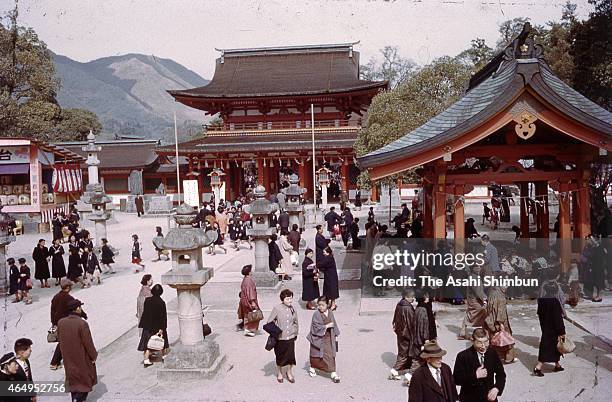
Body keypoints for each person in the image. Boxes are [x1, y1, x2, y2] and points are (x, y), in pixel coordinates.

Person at [58, 299, 98, 402]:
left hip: (68, 357)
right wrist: (93, 356)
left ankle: (74, 398)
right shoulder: (82, 324)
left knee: (73, 381)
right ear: (77, 308)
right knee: (84, 381)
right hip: (81, 356)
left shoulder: (61, 322)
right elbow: (88, 343)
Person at [453, 328, 506, 402]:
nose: (483, 346)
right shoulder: (463, 356)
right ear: (472, 340)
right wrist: (475, 375)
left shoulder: (492, 353)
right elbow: (457, 379)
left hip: (489, 398)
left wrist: (496, 388)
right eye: (479, 342)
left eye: (486, 341)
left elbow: (501, 374)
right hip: (469, 398)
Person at [534, 281, 566, 376]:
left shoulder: (541, 301)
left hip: (545, 327)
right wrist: (562, 331)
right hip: (554, 330)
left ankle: (557, 365)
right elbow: (558, 319)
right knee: (549, 348)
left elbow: (539, 314)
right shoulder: (554, 301)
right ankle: (538, 367)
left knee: (554, 348)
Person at [267, 289, 299, 383]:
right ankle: (280, 372)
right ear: (282, 299)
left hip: (290, 337)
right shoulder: (277, 308)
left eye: (291, 299)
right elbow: (269, 322)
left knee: (290, 357)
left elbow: (296, 322)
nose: (290, 301)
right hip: (280, 338)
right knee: (280, 356)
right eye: (287, 299)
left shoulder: (293, 309)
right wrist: (276, 331)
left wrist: (295, 333)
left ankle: (289, 372)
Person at [307, 296, 341, 382]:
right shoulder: (316, 314)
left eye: (322, 305)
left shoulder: (330, 312)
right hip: (318, 338)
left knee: (330, 355)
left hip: (329, 337)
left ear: (327, 304)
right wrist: (326, 326)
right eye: (319, 305)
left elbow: (334, 322)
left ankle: (333, 372)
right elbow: (315, 327)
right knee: (317, 355)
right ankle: (313, 367)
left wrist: (335, 332)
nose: (320, 307)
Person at [390, 289, 419, 382]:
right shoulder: (407, 308)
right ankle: (394, 371)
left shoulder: (399, 304)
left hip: (400, 333)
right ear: (407, 297)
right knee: (404, 354)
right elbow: (411, 322)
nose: (413, 299)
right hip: (406, 335)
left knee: (402, 352)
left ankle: (400, 370)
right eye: (412, 297)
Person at [138, 284, 168, 367]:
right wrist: (162, 328)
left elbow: (146, 312)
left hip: (148, 325)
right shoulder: (161, 303)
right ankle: (164, 355)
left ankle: (146, 359)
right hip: (157, 326)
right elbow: (163, 316)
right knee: (162, 341)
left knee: (147, 344)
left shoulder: (147, 300)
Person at [484, 286, 515, 364]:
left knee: (494, 339)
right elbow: (501, 311)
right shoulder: (500, 296)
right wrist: (501, 323)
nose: (507, 286)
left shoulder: (492, 292)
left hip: (491, 320)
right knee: (507, 339)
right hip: (499, 321)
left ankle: (496, 357)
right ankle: (508, 358)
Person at [459, 265, 487, 339]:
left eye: (479, 267)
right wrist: (484, 299)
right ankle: (485, 330)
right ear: (473, 269)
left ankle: (463, 332)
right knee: (483, 311)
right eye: (476, 267)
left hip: (473, 299)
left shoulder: (474, 277)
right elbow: (478, 291)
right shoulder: (474, 278)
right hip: (475, 300)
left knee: (471, 313)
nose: (479, 269)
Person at [238, 265, 261, 337]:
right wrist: (252, 302)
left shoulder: (245, 279)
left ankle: (247, 328)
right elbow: (250, 292)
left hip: (244, 300)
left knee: (247, 315)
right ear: (249, 272)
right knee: (252, 315)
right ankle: (248, 329)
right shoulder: (248, 281)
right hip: (248, 301)